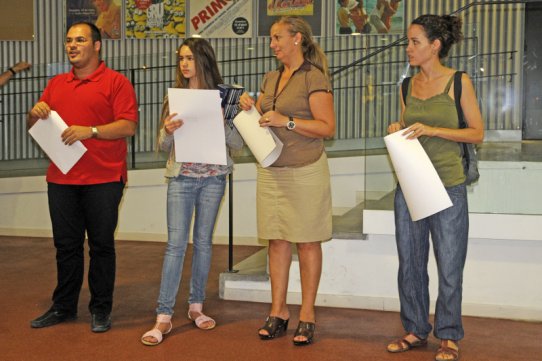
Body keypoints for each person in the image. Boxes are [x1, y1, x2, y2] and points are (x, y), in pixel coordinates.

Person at [27, 22, 138, 333]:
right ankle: (63, 306)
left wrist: (90, 131)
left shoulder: (116, 82)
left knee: (101, 246)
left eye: (79, 40)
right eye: (68, 41)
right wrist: (35, 112)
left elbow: (128, 125)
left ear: (97, 45)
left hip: (104, 178)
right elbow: (34, 126)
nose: (72, 46)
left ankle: (100, 309)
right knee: (66, 246)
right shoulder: (55, 84)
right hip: (61, 179)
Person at [386, 14, 483, 361]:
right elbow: (407, 130)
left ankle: (449, 334)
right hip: (410, 186)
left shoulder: (459, 82)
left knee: (449, 264)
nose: (408, 48)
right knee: (410, 263)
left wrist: (433, 129)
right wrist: (400, 126)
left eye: (415, 42)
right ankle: (415, 329)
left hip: (449, 186)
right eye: (408, 42)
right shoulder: (406, 86)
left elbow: (476, 133)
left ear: (435, 45)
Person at [140, 37, 243, 346]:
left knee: (203, 243)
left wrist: (220, 121)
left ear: (204, 60)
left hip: (214, 178)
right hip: (182, 177)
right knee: (175, 246)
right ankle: (164, 316)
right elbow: (162, 145)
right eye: (181, 58)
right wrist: (167, 132)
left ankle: (196, 307)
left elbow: (237, 144)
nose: (184, 63)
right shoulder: (175, 98)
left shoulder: (224, 98)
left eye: (189, 58)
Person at [239, 16, 335, 346]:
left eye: (278, 37)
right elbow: (266, 120)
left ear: (297, 39)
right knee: (277, 241)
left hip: (306, 170)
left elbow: (327, 127)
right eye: (271, 38)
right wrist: (251, 107)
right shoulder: (270, 78)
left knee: (307, 241)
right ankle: (278, 311)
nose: (272, 43)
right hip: (271, 171)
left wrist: (287, 121)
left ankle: (307, 314)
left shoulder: (314, 77)